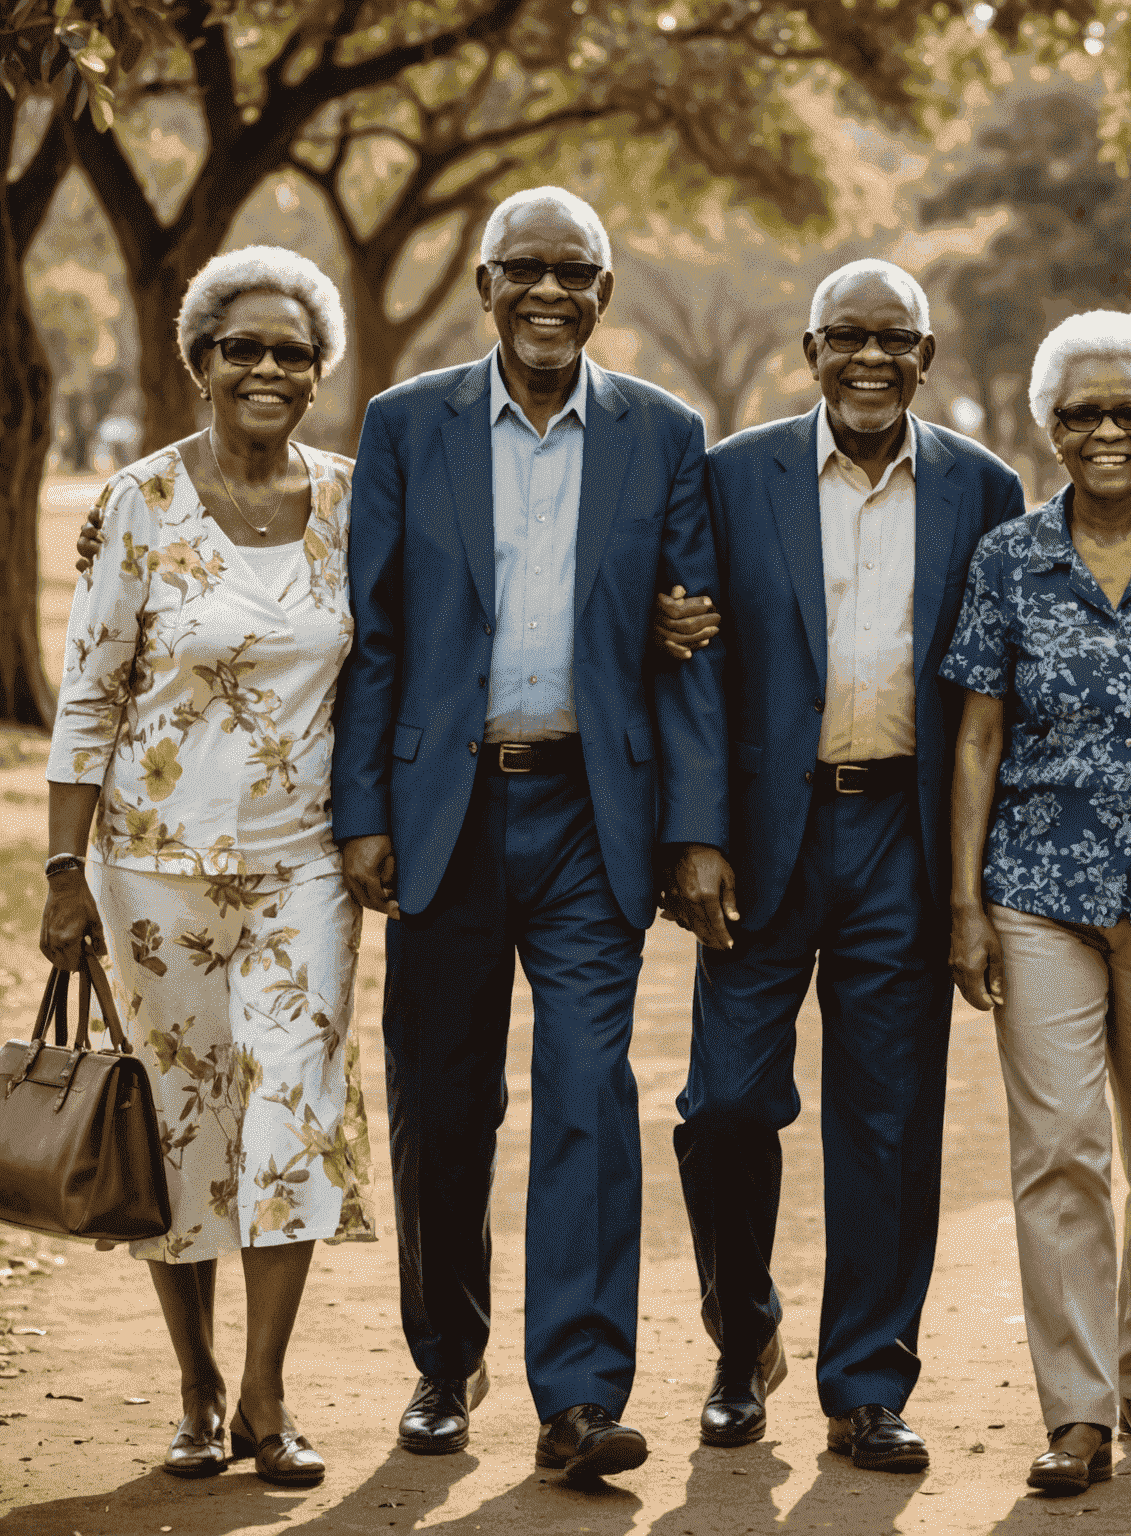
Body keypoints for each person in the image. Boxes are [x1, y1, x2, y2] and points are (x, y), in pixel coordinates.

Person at [330, 187, 728, 1481]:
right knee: (446, 1106)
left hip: (589, 814)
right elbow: (375, 635)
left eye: (578, 271)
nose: (552, 291)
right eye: (528, 269)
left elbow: (692, 634)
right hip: (444, 810)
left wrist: (696, 826)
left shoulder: (666, 433)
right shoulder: (406, 425)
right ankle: (445, 1363)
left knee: (586, 1099)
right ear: (487, 285)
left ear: (605, 293)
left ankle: (580, 1392)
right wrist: (363, 812)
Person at [658, 259, 1025, 1472]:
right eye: (847, 337)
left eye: (896, 340)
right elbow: (694, 662)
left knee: (888, 1122)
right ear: (809, 350)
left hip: (904, 843)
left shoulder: (986, 487)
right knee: (723, 1106)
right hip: (766, 837)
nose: (871, 358)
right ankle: (740, 1334)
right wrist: (697, 834)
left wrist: (982, 879)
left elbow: (1000, 685)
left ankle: (868, 1382)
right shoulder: (730, 475)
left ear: (927, 356)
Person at [41, 247, 374, 1489]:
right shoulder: (136, 502)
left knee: (293, 1115)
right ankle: (195, 1387)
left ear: (318, 370)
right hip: (150, 870)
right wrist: (63, 872)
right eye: (245, 347)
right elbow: (89, 693)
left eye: (293, 351)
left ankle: (269, 1397)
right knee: (180, 1128)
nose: (270, 368)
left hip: (305, 870)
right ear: (200, 362)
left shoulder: (351, 499)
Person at [943, 311, 1131, 1495]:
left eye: (1128, 412)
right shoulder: (1010, 558)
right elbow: (977, 737)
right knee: (1060, 1144)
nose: (1106, 431)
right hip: (1037, 890)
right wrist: (964, 904)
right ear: (1049, 427)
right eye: (1081, 413)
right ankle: (1078, 1411)